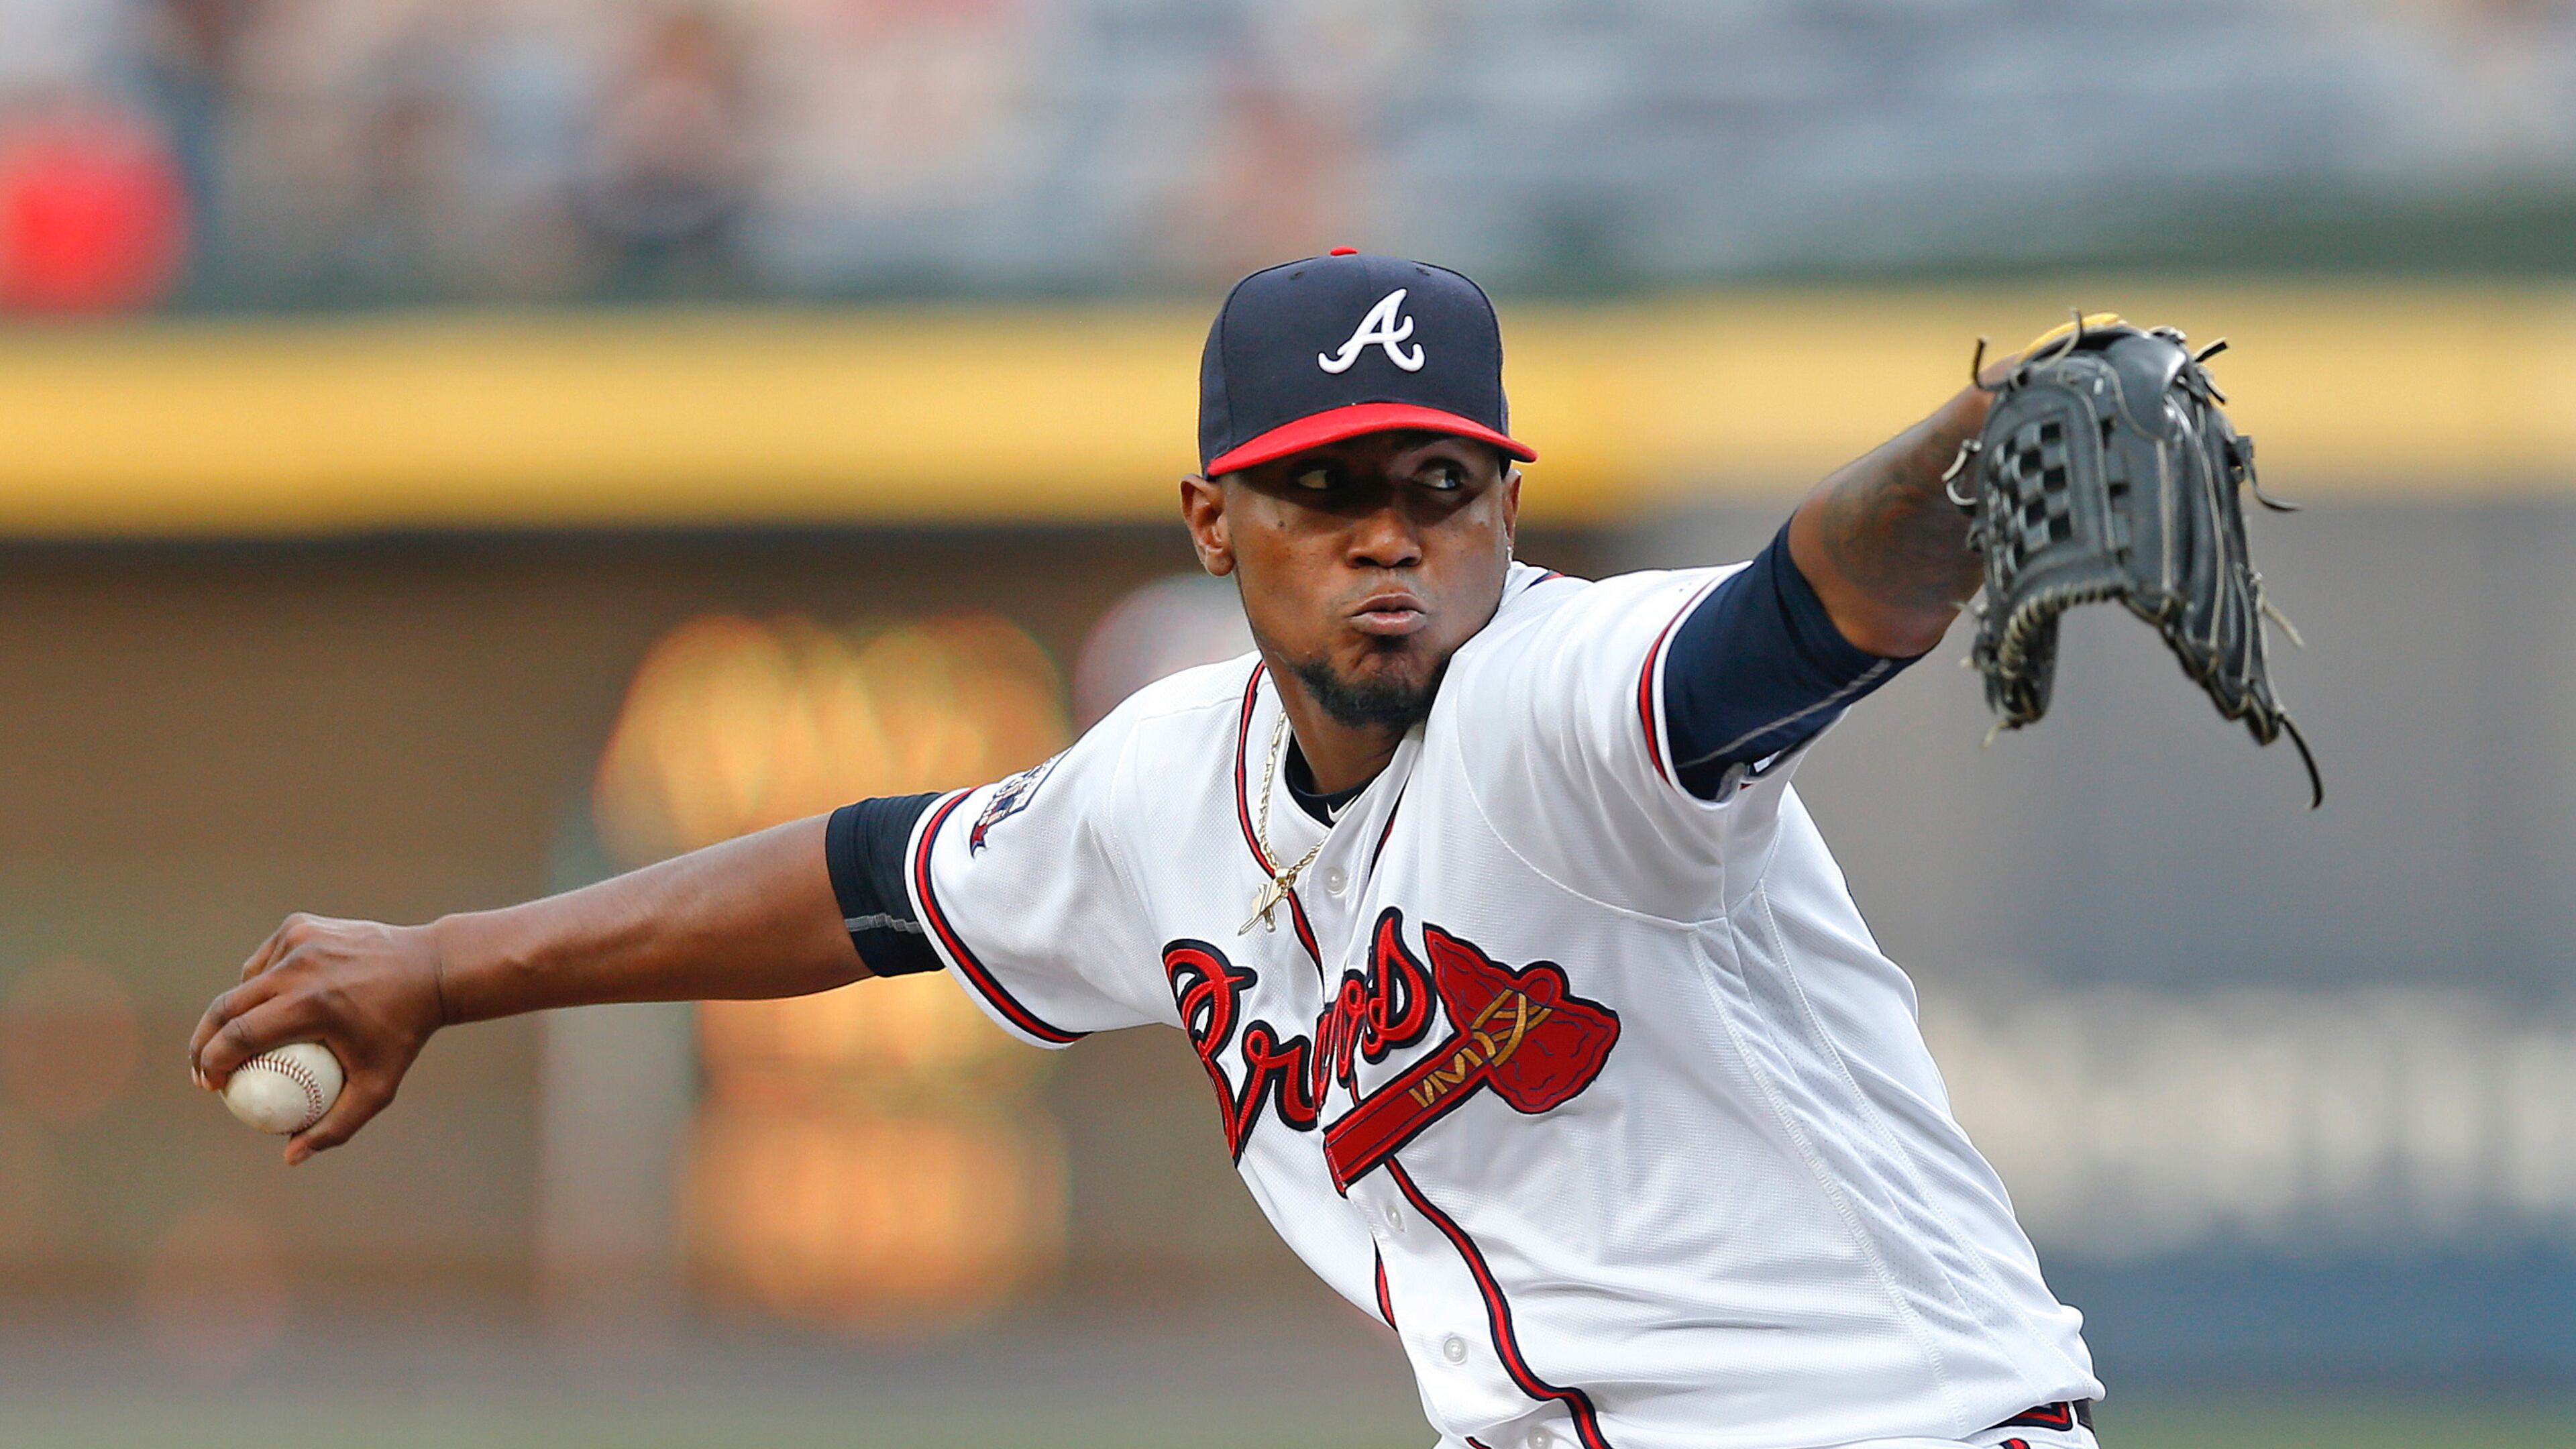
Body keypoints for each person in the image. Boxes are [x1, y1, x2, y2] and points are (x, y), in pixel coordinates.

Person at [192, 250, 2103, 1449]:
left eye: (1439, 487)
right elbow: (868, 882)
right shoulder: (1161, 792)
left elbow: (1804, 609)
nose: (1387, 535)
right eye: (1323, 488)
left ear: (1505, 503)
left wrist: (1990, 439)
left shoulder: (1566, 700)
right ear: (1214, 519)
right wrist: (448, 965)